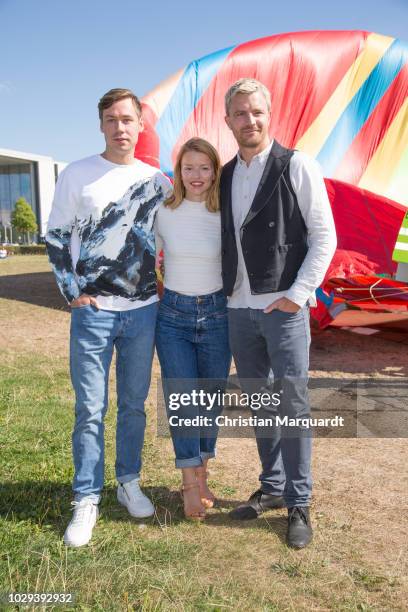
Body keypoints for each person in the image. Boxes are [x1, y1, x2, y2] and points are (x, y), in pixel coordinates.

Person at [45, 88, 171, 547]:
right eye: (112, 119)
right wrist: (72, 292)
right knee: (90, 409)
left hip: (142, 312)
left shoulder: (158, 182)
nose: (120, 128)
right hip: (93, 314)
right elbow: (56, 235)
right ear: (101, 124)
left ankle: (129, 482)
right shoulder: (78, 174)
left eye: (128, 120)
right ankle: (86, 497)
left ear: (141, 125)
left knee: (133, 406)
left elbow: (173, 238)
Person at [220, 78, 337, 548]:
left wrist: (298, 293)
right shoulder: (224, 174)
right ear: (228, 121)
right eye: (240, 114)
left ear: (271, 115)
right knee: (261, 404)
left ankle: (299, 502)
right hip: (237, 308)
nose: (250, 121)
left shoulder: (298, 165)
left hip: (283, 309)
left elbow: (324, 236)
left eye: (257, 112)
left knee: (292, 405)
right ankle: (271, 487)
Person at [155, 138, 231, 520]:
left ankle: (202, 474)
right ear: (178, 172)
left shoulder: (226, 213)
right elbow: (146, 257)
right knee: (183, 401)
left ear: (215, 171)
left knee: (209, 403)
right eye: (189, 168)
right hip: (173, 317)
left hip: (219, 316)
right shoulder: (163, 211)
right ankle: (188, 484)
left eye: (204, 168)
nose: (196, 175)